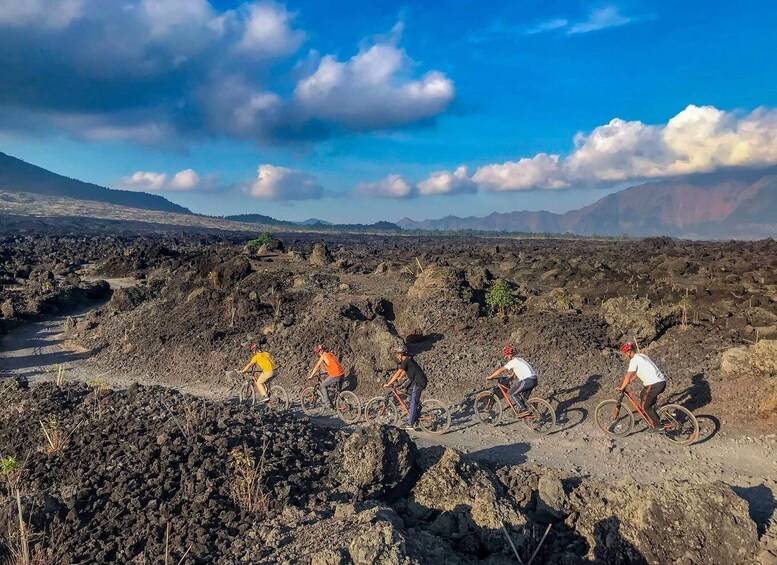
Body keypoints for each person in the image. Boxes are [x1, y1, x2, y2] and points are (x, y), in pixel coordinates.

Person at [616, 342, 667, 432]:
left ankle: (658, 426)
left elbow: (628, 375)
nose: (625, 356)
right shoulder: (642, 355)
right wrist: (631, 380)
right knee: (642, 395)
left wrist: (622, 387)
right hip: (660, 382)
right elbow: (639, 371)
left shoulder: (634, 360)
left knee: (645, 406)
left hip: (653, 384)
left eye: (624, 354)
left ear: (628, 352)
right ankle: (655, 417)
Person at [384, 345, 428, 431]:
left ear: (401, 354)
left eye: (397, 354)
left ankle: (410, 423)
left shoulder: (405, 361)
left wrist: (389, 383)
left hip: (419, 382)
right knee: (407, 390)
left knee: (413, 401)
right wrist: (398, 379)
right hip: (418, 381)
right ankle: (415, 413)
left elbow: (398, 372)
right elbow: (403, 372)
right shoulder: (408, 360)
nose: (397, 356)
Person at [487, 346, 537, 413]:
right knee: (523, 399)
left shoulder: (512, 362)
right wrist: (512, 375)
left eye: (507, 355)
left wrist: (490, 377)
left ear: (510, 355)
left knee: (512, 392)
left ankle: (523, 410)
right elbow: (517, 368)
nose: (507, 357)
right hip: (534, 380)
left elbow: (500, 370)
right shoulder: (519, 359)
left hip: (527, 381)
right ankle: (525, 413)